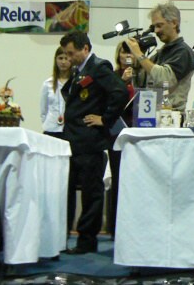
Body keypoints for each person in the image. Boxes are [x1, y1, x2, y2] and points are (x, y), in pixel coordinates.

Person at [60, 30, 128, 254]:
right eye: (66, 54)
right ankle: (64, 237)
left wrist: (105, 119)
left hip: (90, 141)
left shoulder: (98, 67)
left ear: (85, 48)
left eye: (72, 53)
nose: (69, 58)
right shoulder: (79, 70)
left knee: (91, 193)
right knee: (70, 191)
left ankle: (87, 241)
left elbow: (120, 92)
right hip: (74, 139)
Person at [126, 1, 194, 112]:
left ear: (174, 23)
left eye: (159, 25)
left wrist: (139, 54)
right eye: (154, 27)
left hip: (171, 115)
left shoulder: (183, 51)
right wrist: (137, 64)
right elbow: (141, 85)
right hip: (151, 113)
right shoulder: (160, 53)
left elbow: (164, 80)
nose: (156, 31)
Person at [106, 40, 141, 239]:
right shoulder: (112, 76)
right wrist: (122, 82)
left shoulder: (143, 74)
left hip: (139, 132)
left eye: (130, 53)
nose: (127, 56)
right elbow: (109, 102)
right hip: (118, 132)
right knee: (118, 180)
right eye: (123, 52)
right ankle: (114, 227)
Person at [39, 46, 72, 139]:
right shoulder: (47, 83)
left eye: (66, 58)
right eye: (60, 58)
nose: (63, 62)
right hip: (51, 129)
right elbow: (43, 111)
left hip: (69, 129)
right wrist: (47, 123)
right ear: (56, 60)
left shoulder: (75, 82)